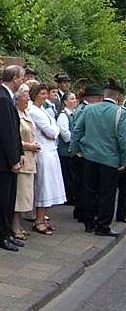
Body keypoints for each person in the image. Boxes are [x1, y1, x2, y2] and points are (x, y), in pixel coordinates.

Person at [71, 79, 126, 237]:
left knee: (89, 190)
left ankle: (88, 223)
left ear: (103, 95)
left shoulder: (89, 109)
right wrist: (124, 160)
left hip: (89, 157)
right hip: (110, 160)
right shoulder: (120, 113)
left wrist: (75, 150)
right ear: (117, 97)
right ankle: (103, 226)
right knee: (106, 194)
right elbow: (123, 140)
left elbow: (77, 131)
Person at [0, 65, 25, 251]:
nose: (23, 81)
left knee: (10, 199)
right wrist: (14, 159)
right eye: (22, 78)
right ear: (15, 78)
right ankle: (0, 236)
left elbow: (14, 130)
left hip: (9, 160)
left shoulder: (6, 97)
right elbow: (6, 133)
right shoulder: (1, 98)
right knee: (2, 200)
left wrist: (20, 154)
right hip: (2, 162)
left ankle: (7, 233)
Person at [28, 83, 66, 234]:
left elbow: (54, 128)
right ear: (35, 94)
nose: (45, 96)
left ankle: (42, 218)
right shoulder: (33, 110)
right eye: (42, 93)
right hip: (43, 151)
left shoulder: (42, 109)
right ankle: (39, 220)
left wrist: (53, 131)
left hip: (50, 150)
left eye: (46, 93)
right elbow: (51, 131)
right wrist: (53, 131)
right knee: (44, 187)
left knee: (49, 186)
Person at [12, 84, 38, 240]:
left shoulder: (26, 113)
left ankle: (18, 224)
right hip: (22, 159)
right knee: (19, 196)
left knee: (26, 195)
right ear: (17, 98)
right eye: (25, 95)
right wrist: (29, 146)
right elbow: (13, 139)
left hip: (30, 160)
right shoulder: (15, 114)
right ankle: (14, 225)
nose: (28, 98)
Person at [57, 92, 79, 207]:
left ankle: (72, 196)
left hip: (71, 150)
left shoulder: (73, 114)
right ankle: (68, 197)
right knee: (67, 175)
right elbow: (64, 133)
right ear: (65, 102)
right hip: (66, 151)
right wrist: (75, 142)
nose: (75, 100)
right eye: (72, 99)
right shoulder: (63, 115)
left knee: (72, 175)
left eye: (75, 98)